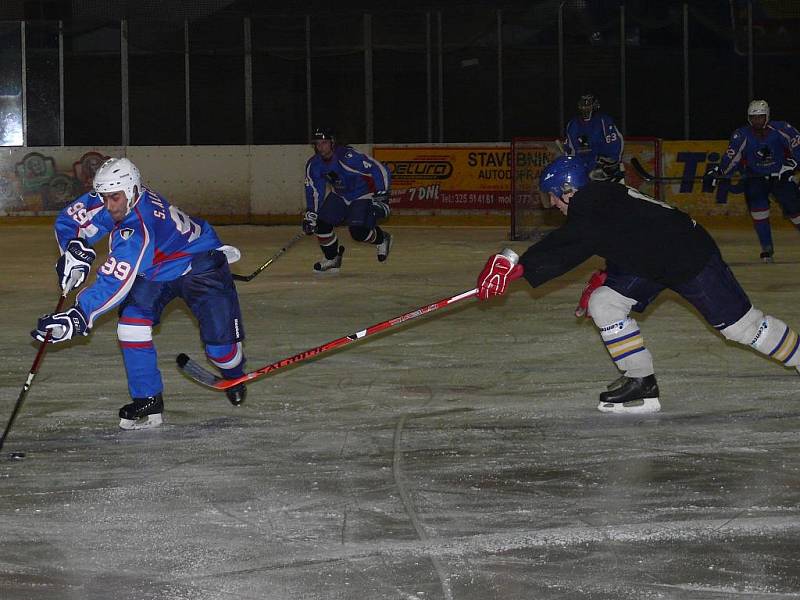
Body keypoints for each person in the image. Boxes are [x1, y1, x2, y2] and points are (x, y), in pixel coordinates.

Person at [477, 155, 800, 414]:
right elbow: (630, 235)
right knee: (605, 302)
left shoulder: (590, 204)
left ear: (568, 188)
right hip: (653, 258)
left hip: (687, 256)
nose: (554, 206)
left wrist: (517, 268)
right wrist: (610, 273)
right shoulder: (599, 200)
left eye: (554, 198)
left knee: (742, 329)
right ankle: (640, 380)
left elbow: (571, 241)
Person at [31, 158, 248, 430]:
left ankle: (235, 373)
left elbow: (114, 282)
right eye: (105, 198)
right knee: (131, 326)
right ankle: (148, 398)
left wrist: (78, 316)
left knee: (221, 352)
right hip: (157, 267)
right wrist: (73, 248)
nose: (109, 206)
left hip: (200, 264)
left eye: (115, 199)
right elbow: (69, 220)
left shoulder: (138, 229)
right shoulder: (115, 192)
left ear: (132, 190)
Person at [707, 99, 800, 263]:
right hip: (755, 177)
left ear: (767, 116)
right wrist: (719, 172)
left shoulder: (782, 129)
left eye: (760, 117)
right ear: (749, 118)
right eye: (753, 117)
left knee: (795, 210)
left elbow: (798, 149)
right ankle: (767, 248)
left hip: (780, 176)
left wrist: (790, 166)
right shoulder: (741, 135)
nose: (757, 121)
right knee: (758, 210)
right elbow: (732, 157)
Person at [302, 127, 393, 272]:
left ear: (332, 142)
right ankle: (332, 258)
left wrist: (382, 196)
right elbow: (314, 190)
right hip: (340, 195)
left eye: (324, 142)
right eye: (317, 143)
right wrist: (312, 212)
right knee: (321, 225)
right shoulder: (314, 164)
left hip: (362, 194)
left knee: (358, 232)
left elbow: (379, 169)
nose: (320, 147)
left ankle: (382, 238)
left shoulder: (347, 156)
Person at [563, 93, 625, 184]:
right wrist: (571, 164)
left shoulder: (603, 121)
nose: (585, 108)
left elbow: (616, 144)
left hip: (603, 171)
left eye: (588, 105)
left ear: (595, 105)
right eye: (583, 105)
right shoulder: (572, 125)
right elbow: (570, 150)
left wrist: (609, 165)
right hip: (583, 171)